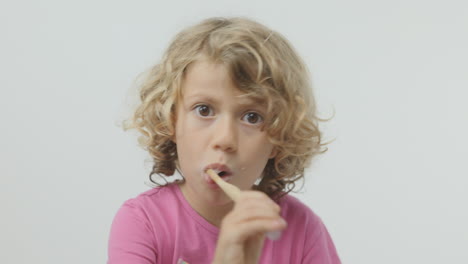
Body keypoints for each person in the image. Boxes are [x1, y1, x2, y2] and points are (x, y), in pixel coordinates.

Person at [108, 17, 341, 264]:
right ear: (171, 121)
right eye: (204, 110)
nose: (225, 139)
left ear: (280, 137)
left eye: (252, 117)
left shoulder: (301, 231)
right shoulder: (142, 222)